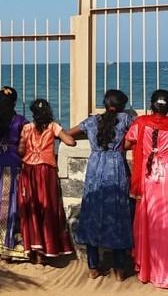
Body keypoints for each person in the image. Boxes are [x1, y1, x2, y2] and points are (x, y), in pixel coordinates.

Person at [124, 89, 168, 289]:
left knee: (150, 218)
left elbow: (128, 143)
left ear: (151, 105)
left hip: (148, 175)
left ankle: (150, 267)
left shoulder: (140, 124)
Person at [67, 89, 134, 280]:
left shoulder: (91, 121)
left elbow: (68, 134)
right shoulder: (126, 120)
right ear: (122, 105)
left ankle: (93, 267)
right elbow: (138, 135)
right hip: (116, 167)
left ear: (104, 104)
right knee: (119, 213)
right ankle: (120, 268)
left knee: (92, 212)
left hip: (95, 167)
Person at [18, 99, 76, 263]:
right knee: (48, 207)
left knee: (32, 208)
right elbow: (70, 141)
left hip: (29, 170)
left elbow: (21, 150)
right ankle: (47, 248)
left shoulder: (27, 128)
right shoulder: (53, 126)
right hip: (46, 170)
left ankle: (34, 249)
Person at [0, 86, 29, 261]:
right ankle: (6, 247)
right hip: (12, 163)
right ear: (14, 102)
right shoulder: (20, 121)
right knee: (9, 206)